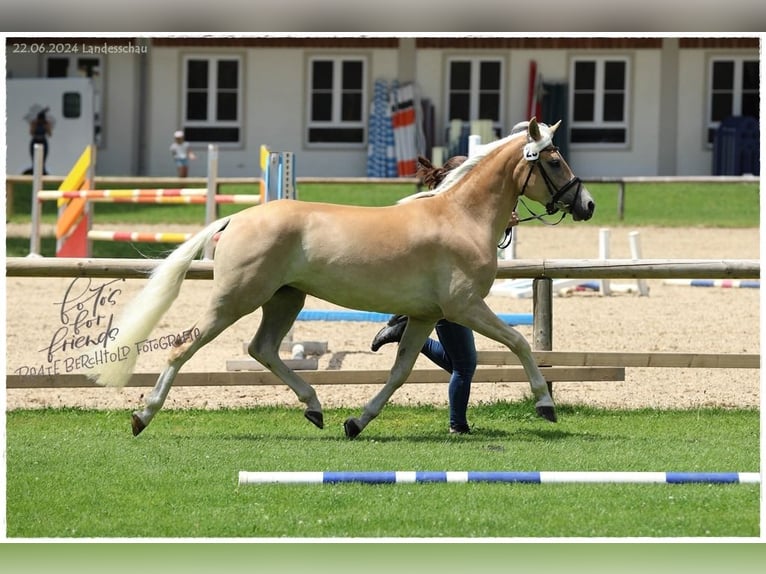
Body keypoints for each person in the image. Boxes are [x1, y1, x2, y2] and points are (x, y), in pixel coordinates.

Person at [370, 155, 519, 435]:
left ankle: (405, 335)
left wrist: (502, 223)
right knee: (464, 365)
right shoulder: (443, 211)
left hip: (446, 292)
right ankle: (457, 426)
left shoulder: (453, 210)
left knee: (460, 363)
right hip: (446, 295)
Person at [29, 108, 52, 174]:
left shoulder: (46, 123)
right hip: (35, 141)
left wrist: (46, 126)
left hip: (43, 141)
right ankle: (34, 172)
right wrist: (35, 124)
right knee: (34, 159)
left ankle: (43, 172)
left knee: (43, 160)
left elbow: (50, 134)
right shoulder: (34, 123)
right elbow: (31, 133)